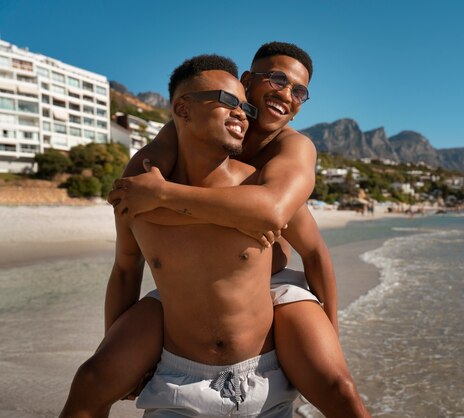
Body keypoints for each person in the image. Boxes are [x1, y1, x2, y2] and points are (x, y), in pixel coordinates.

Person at [60, 43, 369, 417]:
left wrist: (163, 196)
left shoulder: (293, 147)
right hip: (190, 281)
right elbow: (136, 199)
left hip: (274, 279)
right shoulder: (191, 126)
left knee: (338, 386)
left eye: (299, 91)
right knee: (94, 377)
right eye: (277, 80)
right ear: (248, 82)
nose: (286, 95)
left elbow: (272, 213)